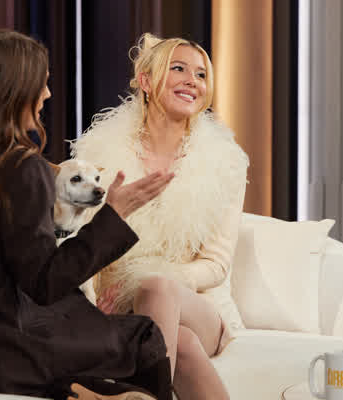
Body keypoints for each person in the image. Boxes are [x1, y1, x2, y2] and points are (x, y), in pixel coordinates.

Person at [0, 29, 175, 400]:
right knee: (144, 336)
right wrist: (115, 214)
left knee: (85, 326)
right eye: (41, 84)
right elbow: (45, 282)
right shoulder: (19, 167)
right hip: (1, 353)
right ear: (15, 90)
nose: (47, 94)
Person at [71, 33, 249, 400]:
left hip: (198, 309)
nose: (192, 81)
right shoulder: (99, 154)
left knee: (157, 287)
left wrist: (158, 277)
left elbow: (215, 264)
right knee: (180, 345)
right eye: (178, 69)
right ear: (147, 82)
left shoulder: (226, 163)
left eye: (201, 74)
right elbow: (80, 241)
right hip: (120, 306)